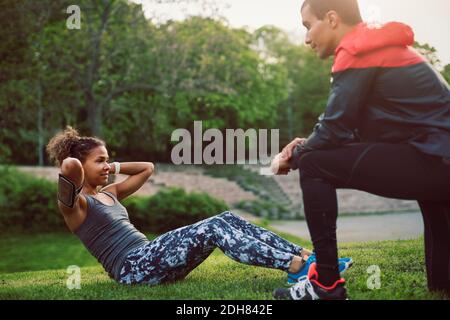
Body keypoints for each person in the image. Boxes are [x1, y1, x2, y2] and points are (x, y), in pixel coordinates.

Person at [272, 0, 450, 300]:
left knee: (315, 164)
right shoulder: (375, 46)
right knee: (441, 280)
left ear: (331, 18)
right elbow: (348, 129)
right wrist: (304, 144)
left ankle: (325, 284)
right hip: (437, 157)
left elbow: (334, 129)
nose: (305, 38)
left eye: (307, 26)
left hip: (436, 159)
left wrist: (295, 156)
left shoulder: (357, 49)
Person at [46, 126, 352, 288]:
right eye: (99, 160)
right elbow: (70, 166)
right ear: (83, 164)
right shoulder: (77, 206)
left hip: (150, 257)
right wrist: (78, 161)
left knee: (226, 217)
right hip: (132, 269)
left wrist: (110, 165)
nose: (106, 165)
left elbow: (147, 168)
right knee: (215, 228)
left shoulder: (110, 193)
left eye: (107, 159)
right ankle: (295, 268)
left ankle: (308, 257)